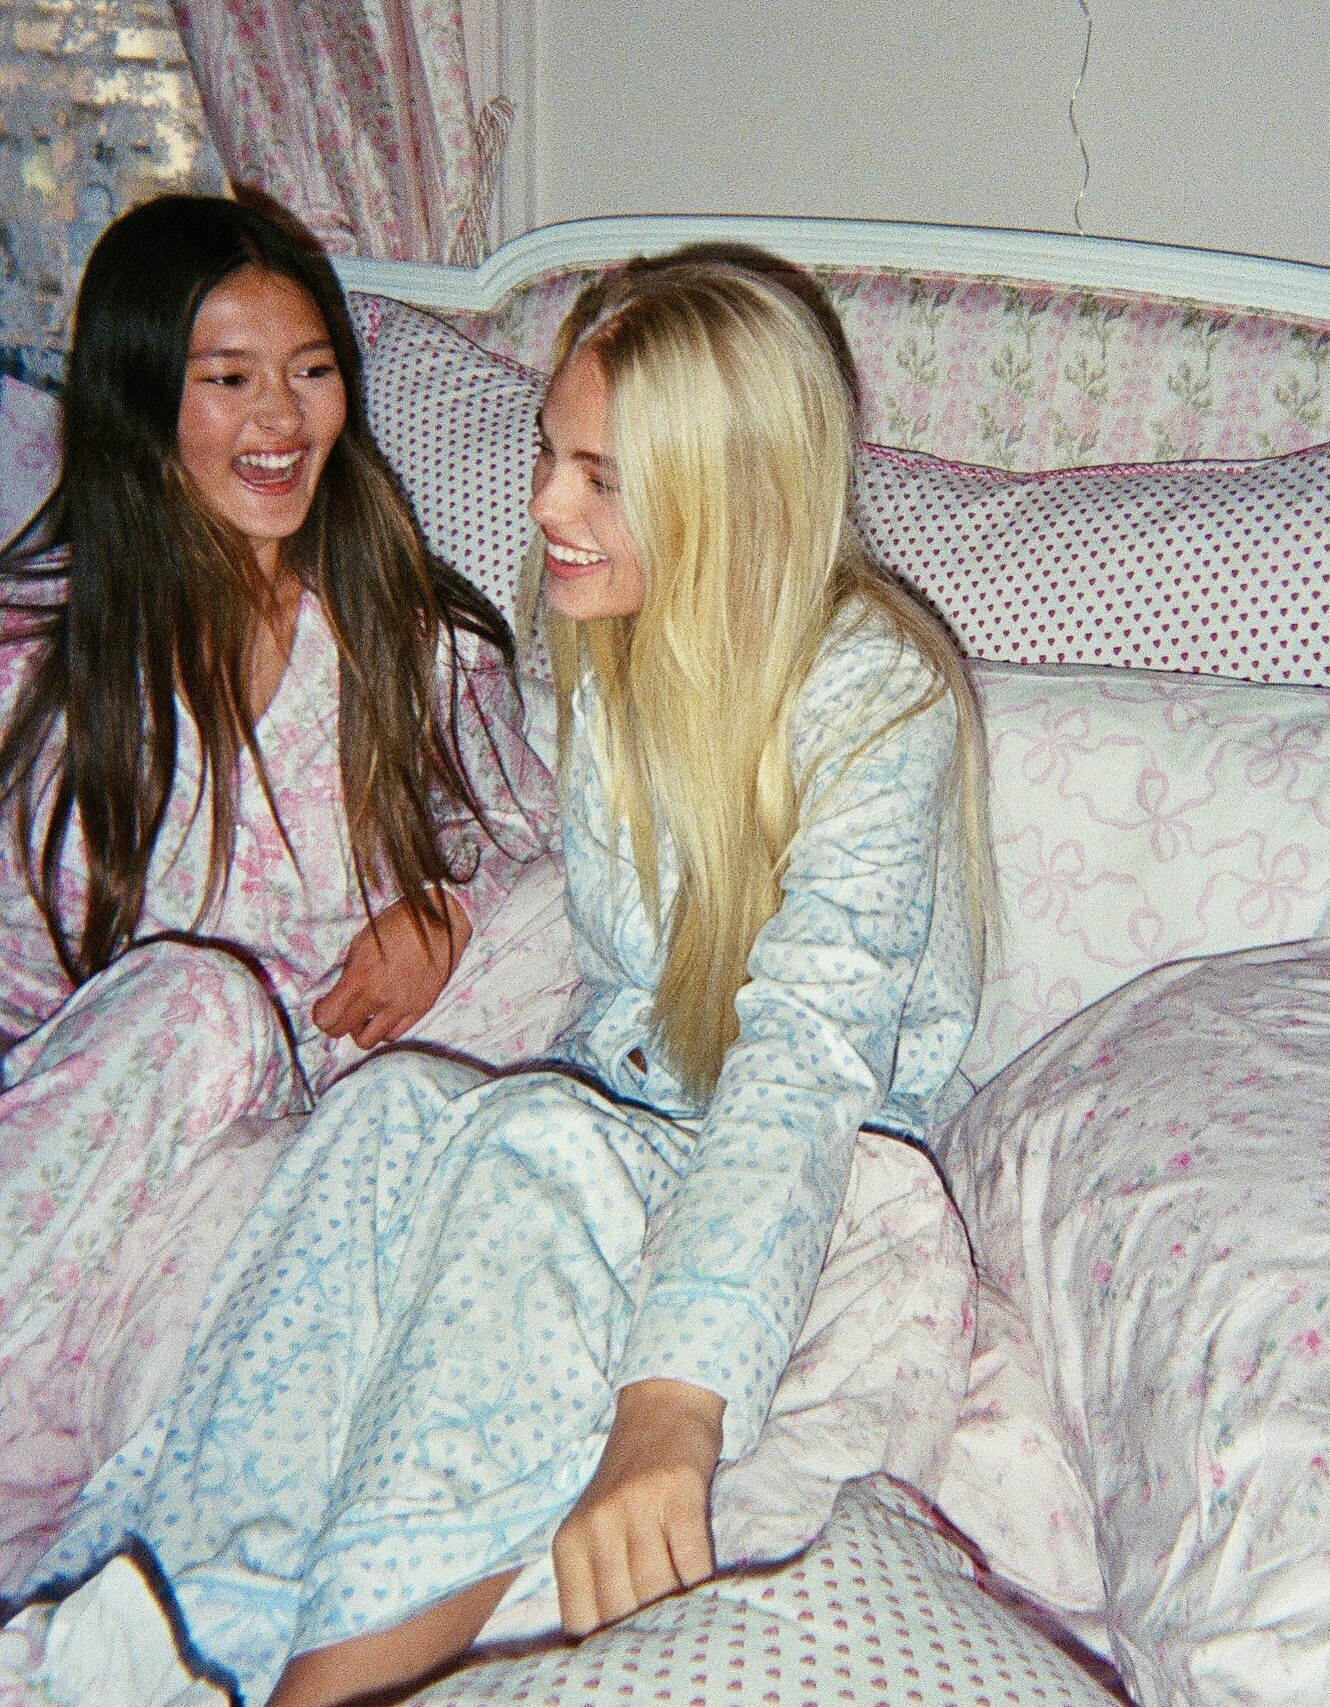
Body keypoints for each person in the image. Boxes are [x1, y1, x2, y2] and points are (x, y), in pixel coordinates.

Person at [30, 247, 991, 1706]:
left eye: (601, 477)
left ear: (729, 496)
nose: (543, 505)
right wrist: (452, 917)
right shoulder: (612, 641)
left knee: (532, 1145)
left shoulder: (875, 698)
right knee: (383, 1115)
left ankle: (324, 1686)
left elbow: (805, 1059)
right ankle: (179, 1618)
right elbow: (518, 834)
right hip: (629, 1103)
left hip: (818, 1165)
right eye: (550, 453)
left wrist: (673, 1404)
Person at [0, 194, 576, 1586]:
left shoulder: (405, 641)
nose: (281, 417)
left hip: (323, 1147)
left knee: (572, 906)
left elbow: (528, 828)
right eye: (228, 377)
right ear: (140, 400)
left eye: (312, 370)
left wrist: (447, 905)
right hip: (99, 1160)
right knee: (195, 1007)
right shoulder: (37, 671)